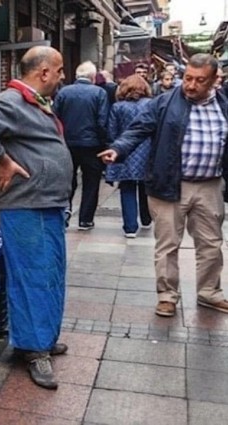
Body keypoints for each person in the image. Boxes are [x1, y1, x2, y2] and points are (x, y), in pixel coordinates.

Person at [0, 46, 71, 390]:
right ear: (43, 72)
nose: (61, 76)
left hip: (45, 203)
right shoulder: (11, 101)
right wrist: (3, 160)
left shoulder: (34, 102)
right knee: (33, 276)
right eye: (58, 70)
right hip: (27, 205)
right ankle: (33, 349)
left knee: (50, 272)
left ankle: (41, 337)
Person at [99, 53, 228, 317]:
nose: (190, 85)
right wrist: (118, 149)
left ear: (215, 80)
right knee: (168, 244)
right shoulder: (164, 102)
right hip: (169, 182)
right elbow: (137, 129)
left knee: (211, 244)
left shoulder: (224, 104)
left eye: (199, 80)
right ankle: (167, 296)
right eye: (188, 78)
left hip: (210, 184)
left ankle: (209, 292)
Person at [53, 61, 109, 230]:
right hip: (92, 145)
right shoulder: (99, 93)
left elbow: (54, 118)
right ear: (93, 77)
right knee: (91, 182)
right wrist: (105, 143)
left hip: (67, 144)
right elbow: (102, 121)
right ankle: (85, 219)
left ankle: (64, 213)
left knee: (67, 180)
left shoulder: (63, 92)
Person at [104, 75, 153, 238]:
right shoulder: (150, 105)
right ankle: (147, 219)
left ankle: (130, 227)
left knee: (127, 188)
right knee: (145, 187)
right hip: (146, 151)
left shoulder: (118, 107)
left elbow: (112, 131)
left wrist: (114, 148)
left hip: (125, 152)